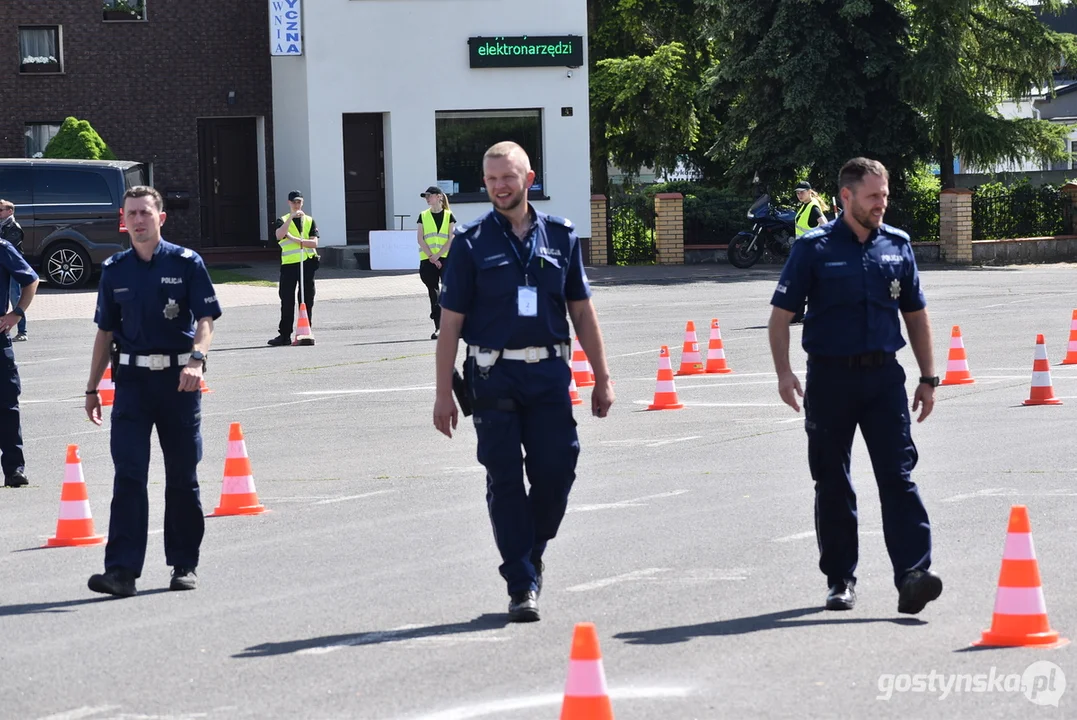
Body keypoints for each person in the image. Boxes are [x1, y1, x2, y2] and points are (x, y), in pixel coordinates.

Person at [433, 141, 615, 623]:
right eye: (491, 179)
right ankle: (520, 582)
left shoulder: (561, 236)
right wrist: (440, 395)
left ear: (529, 178)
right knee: (505, 479)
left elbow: (582, 310)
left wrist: (602, 377)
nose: (499, 187)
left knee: (558, 471)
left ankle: (530, 551)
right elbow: (449, 324)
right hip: (493, 375)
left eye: (507, 177)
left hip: (550, 373)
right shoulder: (470, 244)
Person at [767, 157, 942, 615]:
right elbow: (780, 317)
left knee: (897, 477)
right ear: (846, 197)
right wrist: (785, 373)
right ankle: (840, 579)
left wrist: (928, 377)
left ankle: (913, 574)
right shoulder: (814, 248)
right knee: (831, 480)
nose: (881, 204)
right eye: (872, 196)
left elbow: (916, 316)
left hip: (885, 377)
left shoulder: (897, 246)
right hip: (830, 379)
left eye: (884, 195)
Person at [84, 186, 222, 597]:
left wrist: (197, 359)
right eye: (132, 214)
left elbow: (206, 319)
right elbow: (105, 332)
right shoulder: (114, 269)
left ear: (161, 217)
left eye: (146, 212)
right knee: (128, 476)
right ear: (123, 221)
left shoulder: (186, 263)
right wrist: (92, 388)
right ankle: (121, 572)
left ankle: (184, 563)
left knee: (182, 475)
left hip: (178, 383)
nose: (139, 220)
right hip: (131, 385)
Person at [0, 199, 37, 488]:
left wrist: (16, 313)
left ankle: (14, 469)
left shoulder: (2, 247)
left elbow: (30, 280)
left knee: (7, 405)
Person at [268, 190, 319, 347]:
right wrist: (291, 217)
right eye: (294, 202)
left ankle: (305, 333)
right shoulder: (282, 220)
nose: (297, 205)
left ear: (302, 202)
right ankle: (284, 335)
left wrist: (294, 239)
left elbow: (314, 243)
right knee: (287, 299)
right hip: (289, 265)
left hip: (307, 263)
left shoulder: (309, 221)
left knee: (306, 299)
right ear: (289, 203)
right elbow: (279, 235)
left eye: (299, 202)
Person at [417, 186, 456, 340]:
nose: (427, 198)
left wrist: (438, 256)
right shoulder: (423, 216)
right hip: (428, 260)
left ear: (439, 197)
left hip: (445, 259)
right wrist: (432, 257)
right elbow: (420, 238)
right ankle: (439, 327)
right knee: (433, 292)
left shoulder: (449, 215)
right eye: (425, 196)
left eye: (430, 195)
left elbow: (450, 238)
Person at [0, 200, 28, 341]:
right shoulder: (2, 226)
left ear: (10, 211)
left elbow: (8, 246)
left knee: (15, 297)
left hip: (13, 268)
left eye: (1, 210)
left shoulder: (14, 227)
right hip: (3, 268)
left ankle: (22, 331)